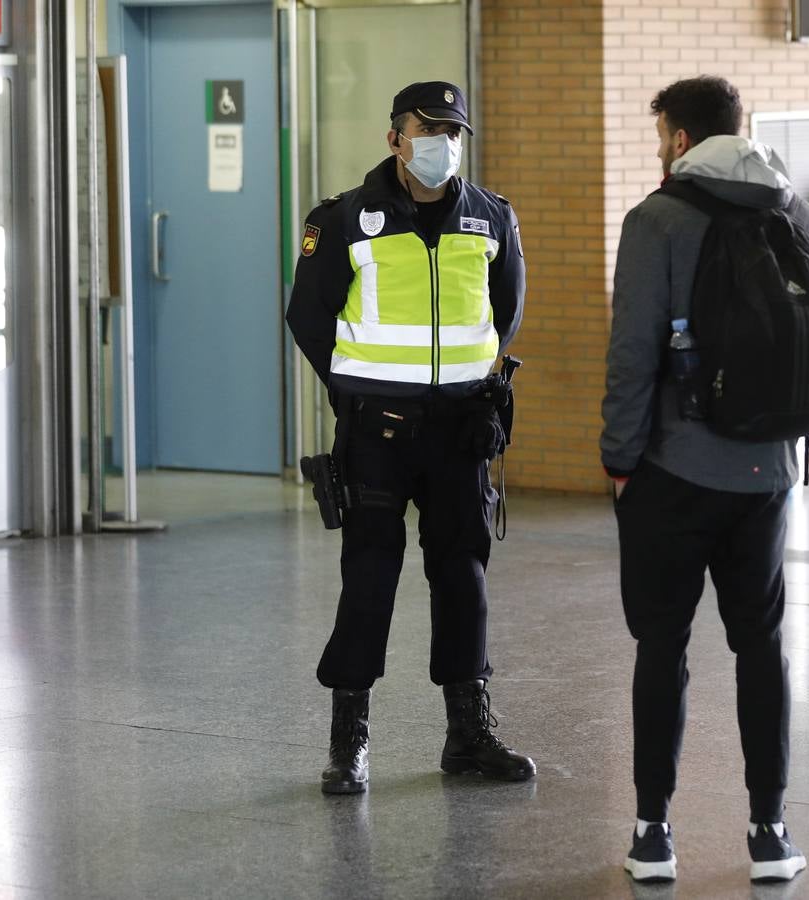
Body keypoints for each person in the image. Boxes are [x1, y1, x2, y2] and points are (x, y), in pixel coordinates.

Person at [601, 75, 809, 884]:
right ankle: (770, 832)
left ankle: (652, 832)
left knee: (661, 643)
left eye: (659, 130)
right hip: (768, 473)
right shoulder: (798, 214)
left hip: (671, 466)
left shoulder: (657, 218)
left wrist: (619, 459)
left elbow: (633, 352)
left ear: (677, 136)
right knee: (760, 645)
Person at [285, 81, 535, 794]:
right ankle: (349, 742)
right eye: (428, 130)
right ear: (394, 138)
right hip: (378, 436)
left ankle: (468, 733)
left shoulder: (491, 217)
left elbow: (506, 310)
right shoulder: (343, 220)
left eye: (453, 131)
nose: (441, 144)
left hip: (461, 433)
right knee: (368, 579)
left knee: (464, 579)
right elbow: (309, 318)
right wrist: (358, 393)